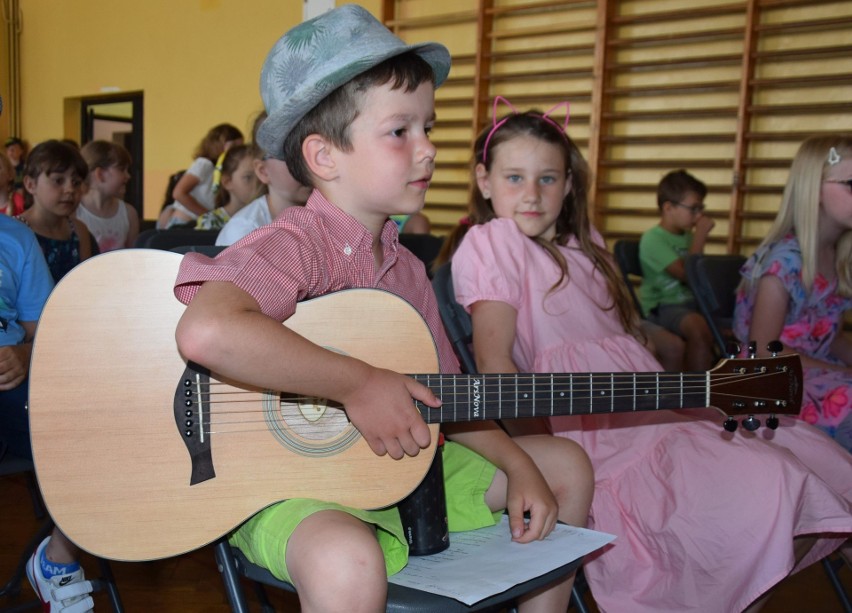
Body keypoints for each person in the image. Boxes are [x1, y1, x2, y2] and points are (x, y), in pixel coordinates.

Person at [173, 7, 594, 612]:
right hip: (285, 486)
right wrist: (358, 383)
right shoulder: (292, 246)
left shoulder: (408, 270)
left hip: (401, 468)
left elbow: (447, 391)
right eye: (401, 132)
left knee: (565, 466)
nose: (428, 150)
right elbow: (208, 330)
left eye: (430, 127)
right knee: (347, 558)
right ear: (323, 157)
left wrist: (517, 461)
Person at [450, 99, 852, 613]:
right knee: (775, 480)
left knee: (810, 457)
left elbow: (621, 335)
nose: (532, 194)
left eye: (548, 178)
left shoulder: (586, 244)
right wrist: (534, 459)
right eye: (514, 178)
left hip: (651, 406)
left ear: (569, 183)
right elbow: (496, 368)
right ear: (484, 181)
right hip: (594, 432)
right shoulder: (493, 242)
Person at [0, 215, 95, 613]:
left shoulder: (15, 236)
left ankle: (56, 557)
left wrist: (25, 353)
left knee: (96, 422)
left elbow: (44, 328)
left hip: (10, 377)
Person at [734, 135, 852, 453]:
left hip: (815, 369)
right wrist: (841, 372)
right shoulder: (783, 264)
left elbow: (832, 335)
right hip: (773, 378)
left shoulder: (838, 257)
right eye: (851, 184)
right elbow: (762, 353)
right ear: (813, 190)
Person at [638, 169, 716, 370]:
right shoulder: (653, 238)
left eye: (701, 209)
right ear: (668, 207)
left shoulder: (687, 237)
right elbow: (687, 274)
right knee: (699, 329)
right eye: (693, 209)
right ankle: (696, 394)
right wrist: (700, 236)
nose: (699, 216)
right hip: (662, 306)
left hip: (690, 303)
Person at [16, 140, 94, 283]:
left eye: (76, 182)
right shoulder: (16, 233)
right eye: (58, 181)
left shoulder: (78, 231)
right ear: (30, 184)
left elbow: (85, 286)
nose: (70, 189)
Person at [215, 143, 311, 247]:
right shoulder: (244, 230)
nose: (308, 166)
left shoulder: (322, 215)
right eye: (292, 157)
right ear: (263, 171)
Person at [157, 123, 244, 229]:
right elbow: (179, 193)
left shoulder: (219, 171)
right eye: (234, 147)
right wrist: (208, 215)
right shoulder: (204, 164)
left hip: (198, 223)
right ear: (218, 145)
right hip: (184, 222)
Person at [76, 140, 140, 251]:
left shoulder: (129, 213)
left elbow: (133, 257)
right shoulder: (75, 212)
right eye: (122, 169)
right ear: (100, 174)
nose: (128, 176)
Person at [195, 143, 261, 230]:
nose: (258, 183)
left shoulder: (266, 217)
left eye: (260, 176)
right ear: (227, 182)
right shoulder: (210, 222)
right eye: (248, 177)